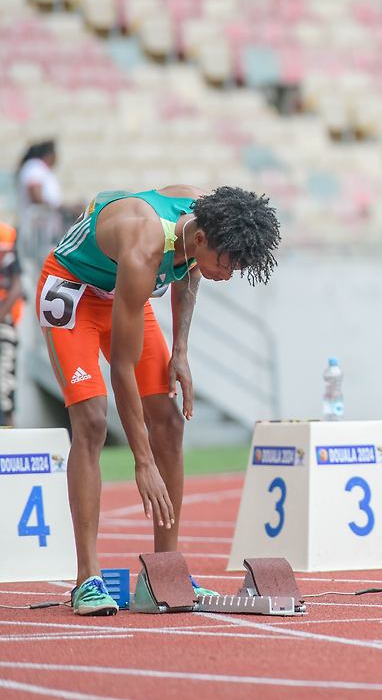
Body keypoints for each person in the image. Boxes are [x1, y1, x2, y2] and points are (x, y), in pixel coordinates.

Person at [38, 186, 281, 615]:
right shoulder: (143, 246)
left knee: (169, 420)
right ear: (201, 239)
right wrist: (142, 460)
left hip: (123, 294)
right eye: (228, 264)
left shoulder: (206, 216)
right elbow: (122, 368)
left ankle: (164, 573)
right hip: (73, 291)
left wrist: (180, 350)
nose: (229, 274)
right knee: (92, 420)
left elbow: (190, 270)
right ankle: (87, 579)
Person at [0, 220, 23, 427]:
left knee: (5, 383)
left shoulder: (7, 234)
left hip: (5, 324)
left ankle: (8, 429)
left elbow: (17, 287)